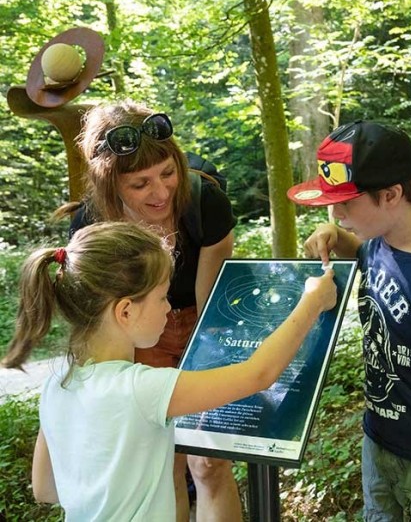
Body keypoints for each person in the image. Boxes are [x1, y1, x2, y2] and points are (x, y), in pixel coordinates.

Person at [1, 221, 337, 521]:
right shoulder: (140, 389)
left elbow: (45, 488)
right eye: (162, 297)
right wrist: (313, 301)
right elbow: (257, 375)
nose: (169, 309)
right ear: (126, 312)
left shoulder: (57, 383)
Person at [287, 120, 411, 521]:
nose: (337, 210)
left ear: (391, 194)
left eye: (347, 202)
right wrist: (334, 232)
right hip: (378, 439)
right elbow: (359, 248)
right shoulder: (379, 244)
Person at [55, 100, 240, 521]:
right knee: (162, 466)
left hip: (199, 319)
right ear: (110, 184)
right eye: (140, 184)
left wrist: (205, 360)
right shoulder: (91, 225)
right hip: (135, 332)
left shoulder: (202, 199)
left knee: (210, 463)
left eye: (167, 174)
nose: (160, 193)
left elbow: (211, 301)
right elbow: (104, 320)